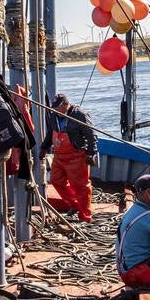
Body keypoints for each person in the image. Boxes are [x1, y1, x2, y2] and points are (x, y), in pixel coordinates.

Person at [41, 93, 98, 222]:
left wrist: (91, 153)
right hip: (59, 155)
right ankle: (74, 205)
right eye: (54, 108)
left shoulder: (80, 115)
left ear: (66, 105)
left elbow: (91, 134)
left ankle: (85, 216)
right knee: (56, 181)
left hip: (76, 156)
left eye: (58, 108)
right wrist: (44, 147)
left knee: (81, 186)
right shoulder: (54, 115)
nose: (55, 110)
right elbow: (50, 132)